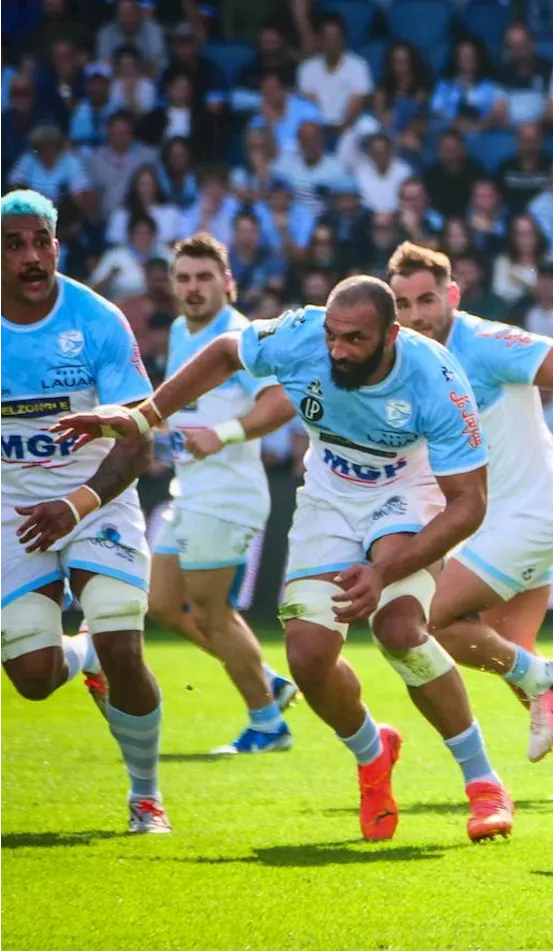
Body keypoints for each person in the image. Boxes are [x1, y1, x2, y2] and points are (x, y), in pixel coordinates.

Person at [54, 277, 515, 844]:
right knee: (307, 656)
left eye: (355, 339)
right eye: (333, 336)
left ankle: (483, 783)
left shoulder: (436, 378)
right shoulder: (300, 334)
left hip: (405, 489)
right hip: (328, 495)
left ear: (391, 335)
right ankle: (373, 756)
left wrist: (384, 572)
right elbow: (228, 352)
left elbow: (469, 504)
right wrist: (146, 415)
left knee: (397, 627)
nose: (338, 350)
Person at [387, 243, 553, 797]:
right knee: (506, 648)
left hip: (534, 514)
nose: (417, 314)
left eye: (428, 299)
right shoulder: (405, 357)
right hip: (489, 522)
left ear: (452, 294)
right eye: (403, 304)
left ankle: (550, 681)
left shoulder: (486, 342)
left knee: (429, 621)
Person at [0, 189, 169, 833]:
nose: (31, 257)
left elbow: (139, 437)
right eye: (14, 245)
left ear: (57, 246)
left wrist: (77, 503)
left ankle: (146, 796)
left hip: (95, 496)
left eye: (41, 241)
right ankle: (82, 657)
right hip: (13, 509)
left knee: (120, 629)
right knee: (35, 679)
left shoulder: (97, 320)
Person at [147, 233, 299, 754]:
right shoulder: (178, 330)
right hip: (188, 488)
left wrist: (224, 434)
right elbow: (187, 409)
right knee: (163, 604)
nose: (193, 288)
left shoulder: (240, 335)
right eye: (184, 278)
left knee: (212, 611)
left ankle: (267, 723)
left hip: (228, 495)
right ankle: (269, 681)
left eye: (204, 277)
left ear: (228, 284)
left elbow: (280, 405)